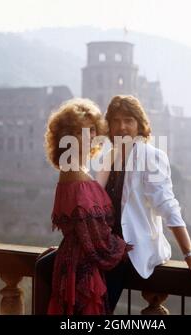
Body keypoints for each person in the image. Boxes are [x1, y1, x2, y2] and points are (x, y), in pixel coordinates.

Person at [96, 95, 191, 314]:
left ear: (139, 124)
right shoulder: (109, 157)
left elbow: (168, 206)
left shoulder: (151, 157)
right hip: (104, 247)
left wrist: (190, 256)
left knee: (98, 307)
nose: (122, 127)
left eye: (128, 120)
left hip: (129, 250)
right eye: (116, 121)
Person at [43, 98, 131, 315]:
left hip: (72, 260)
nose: (90, 136)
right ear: (68, 137)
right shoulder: (74, 172)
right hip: (84, 269)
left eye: (92, 130)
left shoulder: (74, 168)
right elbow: (94, 238)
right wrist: (123, 249)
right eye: (82, 132)